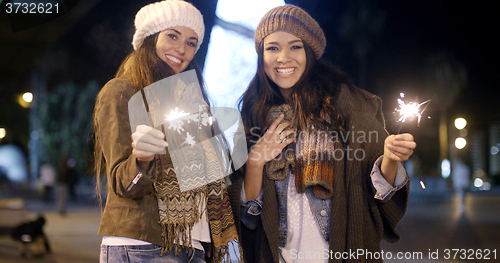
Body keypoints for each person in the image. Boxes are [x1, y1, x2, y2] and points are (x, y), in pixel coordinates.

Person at [228, 5, 417, 263]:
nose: (283, 57)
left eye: (295, 46)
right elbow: (247, 220)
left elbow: (379, 189)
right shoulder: (251, 115)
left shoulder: (347, 104)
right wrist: (255, 162)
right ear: (261, 55)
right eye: (272, 48)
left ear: (310, 53)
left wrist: (391, 157)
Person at [93, 1, 240, 262]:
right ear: (151, 38)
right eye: (172, 36)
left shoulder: (194, 102)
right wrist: (142, 160)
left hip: (195, 245)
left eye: (192, 43)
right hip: (143, 244)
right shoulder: (122, 91)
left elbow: (215, 182)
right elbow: (121, 184)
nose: (182, 49)